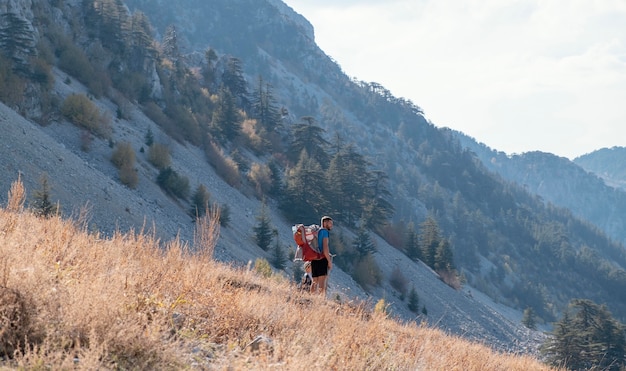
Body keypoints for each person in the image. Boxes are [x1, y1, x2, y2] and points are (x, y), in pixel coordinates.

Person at [311, 215, 333, 295]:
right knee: (322, 282)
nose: (331, 225)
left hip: (314, 258)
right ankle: (320, 300)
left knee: (314, 281)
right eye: (330, 223)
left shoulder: (317, 231)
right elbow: (325, 248)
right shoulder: (325, 232)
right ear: (325, 223)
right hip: (322, 259)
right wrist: (329, 261)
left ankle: (312, 297)